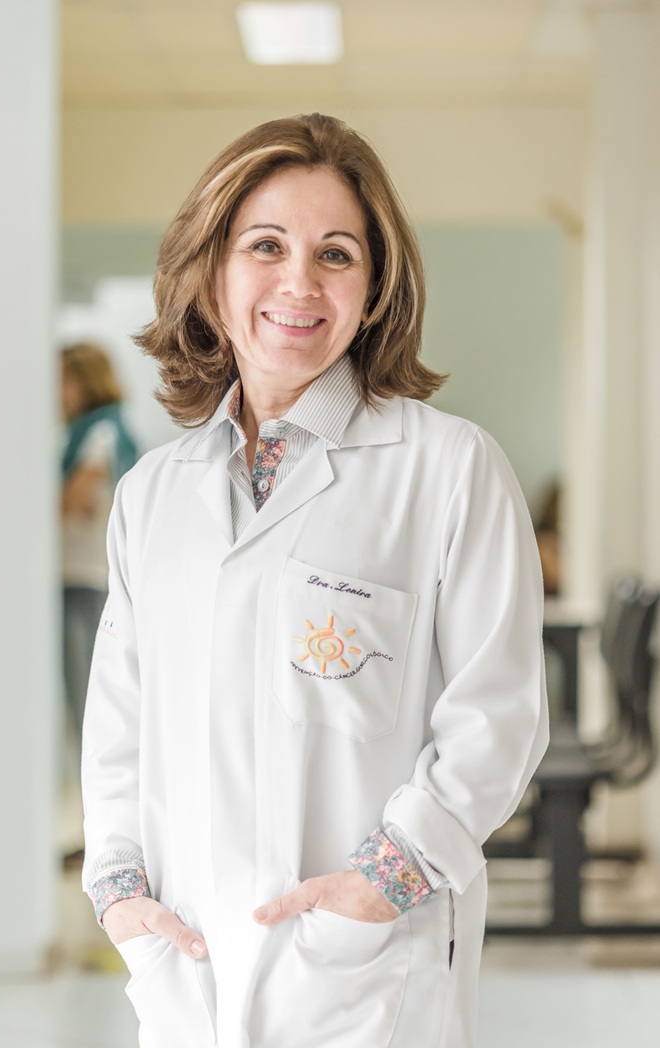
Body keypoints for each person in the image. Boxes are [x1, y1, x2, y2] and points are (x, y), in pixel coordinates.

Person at [81, 114, 548, 1048]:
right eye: (266, 246)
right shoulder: (151, 494)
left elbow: (498, 716)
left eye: (336, 254)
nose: (299, 282)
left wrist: (385, 880)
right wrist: (122, 897)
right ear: (212, 272)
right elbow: (120, 725)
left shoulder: (449, 468)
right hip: (189, 963)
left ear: (373, 291)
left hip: (366, 970)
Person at [61, 342, 139, 756]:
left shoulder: (100, 433)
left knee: (86, 695)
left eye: (64, 380)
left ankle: (92, 787)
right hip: (82, 574)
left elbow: (73, 501)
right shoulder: (84, 433)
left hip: (88, 577)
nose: (58, 392)